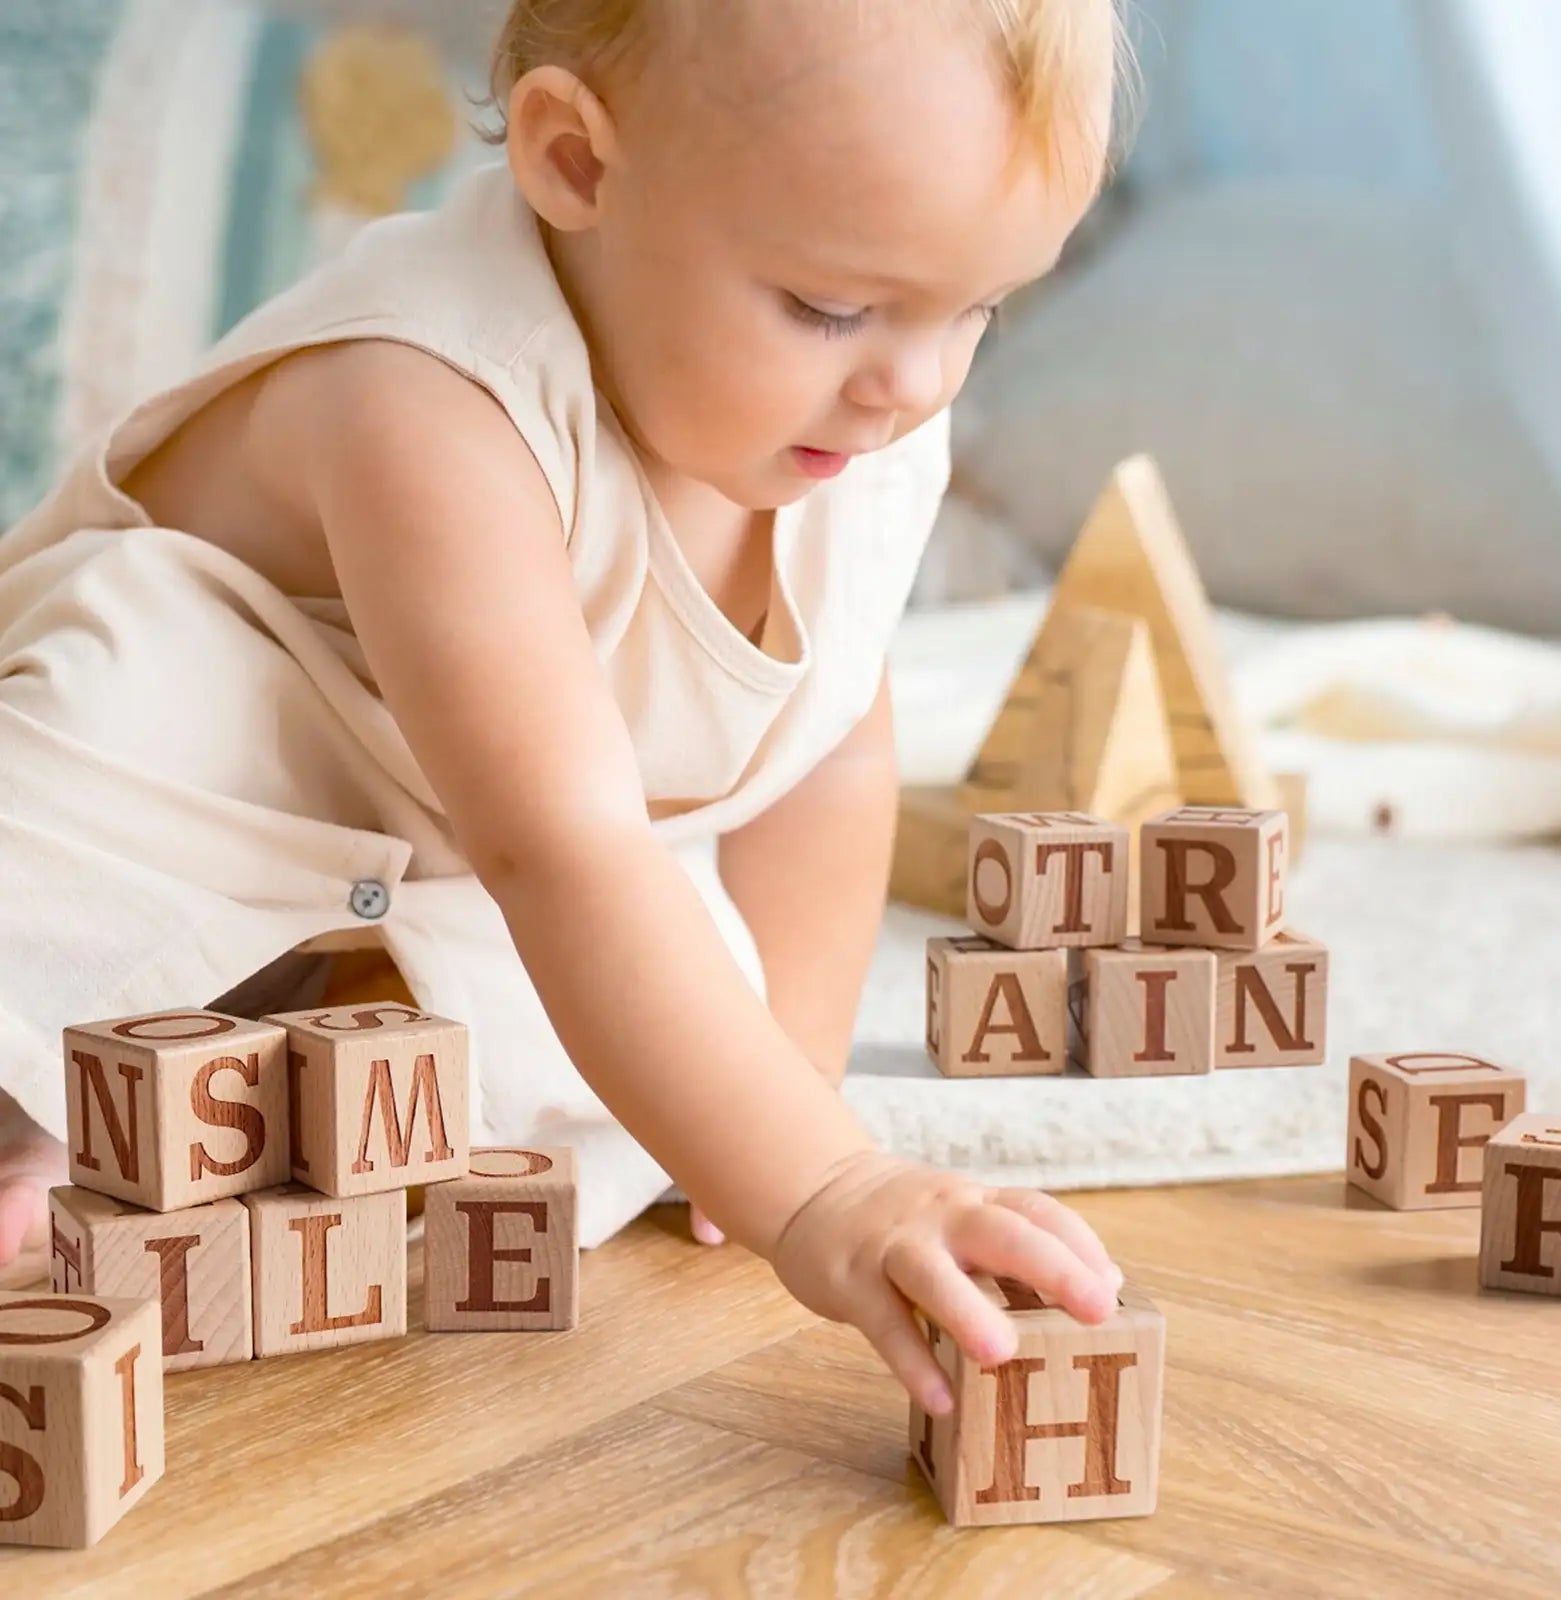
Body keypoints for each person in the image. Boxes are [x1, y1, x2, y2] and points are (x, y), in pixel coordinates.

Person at [0, 0, 1129, 1417]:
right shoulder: (429, 398)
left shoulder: (861, 414)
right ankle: (44, 1098)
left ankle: (198, 1125)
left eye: (980, 307)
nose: (915, 384)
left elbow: (833, 746)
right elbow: (566, 846)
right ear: (578, 167)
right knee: (112, 748)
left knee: (662, 1002)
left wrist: (798, 1106)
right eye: (832, 307)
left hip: (427, 858)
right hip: (189, 789)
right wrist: (823, 1190)